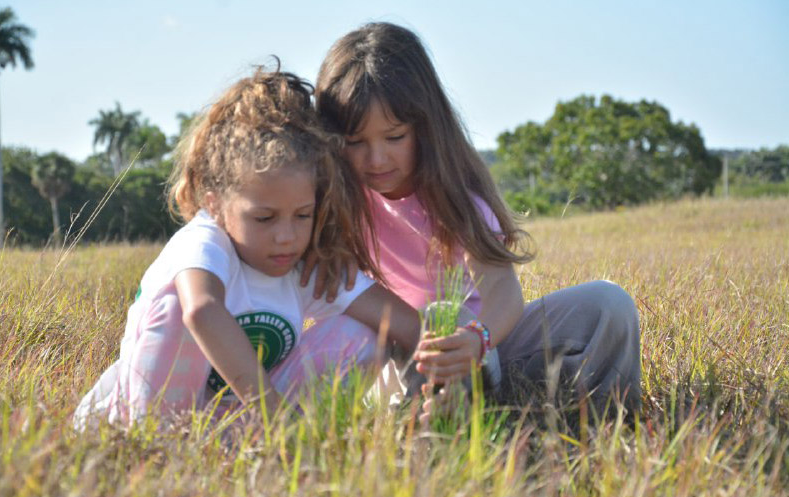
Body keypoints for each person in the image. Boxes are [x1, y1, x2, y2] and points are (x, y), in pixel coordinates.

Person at [311, 22, 642, 417]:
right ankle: (436, 428)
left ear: (425, 126)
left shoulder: (456, 194)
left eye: (394, 137)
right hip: (404, 359)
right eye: (355, 142)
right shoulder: (331, 200)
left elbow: (503, 292)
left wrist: (477, 338)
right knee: (437, 325)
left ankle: (600, 423)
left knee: (609, 305)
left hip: (482, 346)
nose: (376, 159)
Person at [74, 65, 422, 430]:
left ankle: (287, 440)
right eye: (264, 218)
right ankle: (161, 442)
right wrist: (274, 415)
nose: (286, 236)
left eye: (302, 215)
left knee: (366, 335)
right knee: (177, 304)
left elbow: (406, 326)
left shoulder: (303, 263)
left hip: (237, 427)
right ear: (215, 205)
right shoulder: (204, 241)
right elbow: (201, 310)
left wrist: (447, 367)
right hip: (141, 420)